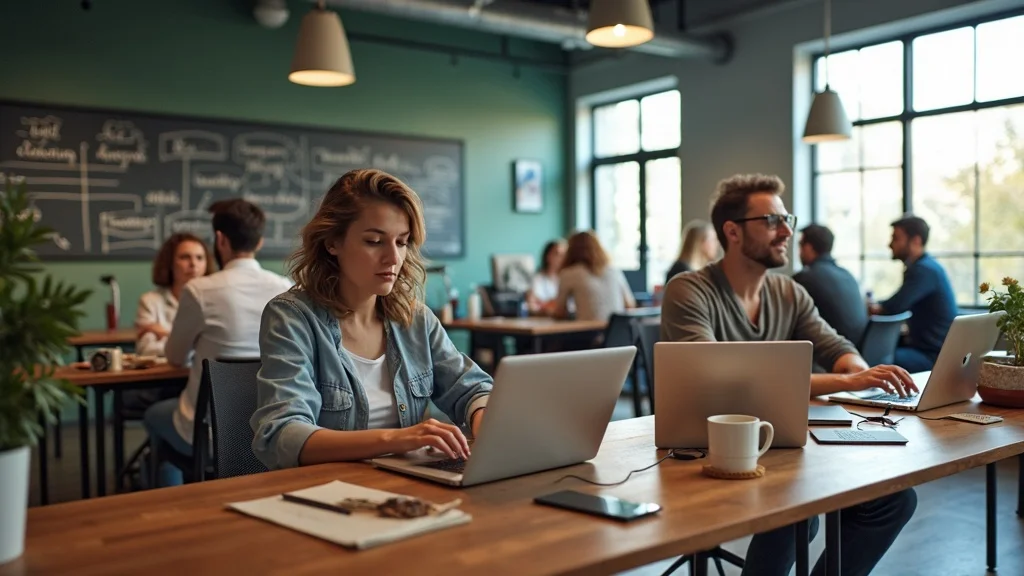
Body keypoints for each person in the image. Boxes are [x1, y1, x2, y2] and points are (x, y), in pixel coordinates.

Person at [661, 173, 918, 576]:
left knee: (894, 499)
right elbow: (719, 378)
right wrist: (849, 382)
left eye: (787, 220)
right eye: (771, 221)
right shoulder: (689, 289)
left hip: (783, 441)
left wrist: (858, 371)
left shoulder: (789, 293)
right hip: (710, 447)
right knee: (798, 508)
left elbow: (839, 350)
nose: (786, 231)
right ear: (732, 231)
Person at [250, 169, 492, 470]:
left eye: (402, 242)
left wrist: (487, 427)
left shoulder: (415, 319)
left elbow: (472, 389)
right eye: (375, 241)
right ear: (332, 242)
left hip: (406, 488)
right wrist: (398, 439)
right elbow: (282, 436)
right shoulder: (292, 317)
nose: (393, 258)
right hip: (326, 493)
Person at [143, 199, 292, 486]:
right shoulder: (285, 288)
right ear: (259, 242)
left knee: (154, 415)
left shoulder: (199, 290)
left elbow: (175, 357)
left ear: (220, 240)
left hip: (210, 434)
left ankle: (169, 506)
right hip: (273, 431)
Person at [121, 233, 214, 416]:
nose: (193, 264)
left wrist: (161, 332)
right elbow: (147, 349)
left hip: (200, 383)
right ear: (170, 263)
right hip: (162, 385)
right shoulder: (150, 301)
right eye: (184, 257)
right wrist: (191, 344)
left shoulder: (212, 300)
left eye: (199, 258)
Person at [870, 215, 958, 373]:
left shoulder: (923, 270)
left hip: (932, 356)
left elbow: (894, 306)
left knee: (874, 358)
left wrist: (872, 307)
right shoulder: (928, 266)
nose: (890, 244)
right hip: (930, 350)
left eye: (896, 238)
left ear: (916, 241)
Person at [792, 224, 868, 348]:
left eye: (800, 245)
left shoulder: (804, 279)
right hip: (856, 352)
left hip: (832, 355)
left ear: (808, 247)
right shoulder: (848, 275)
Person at [552, 230, 636, 321]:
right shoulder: (614, 271)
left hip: (589, 332)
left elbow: (560, 312)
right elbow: (630, 304)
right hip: (618, 333)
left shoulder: (569, 273)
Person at [664, 219, 719, 286]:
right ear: (701, 243)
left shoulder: (700, 270)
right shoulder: (681, 271)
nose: (717, 244)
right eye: (713, 240)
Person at [526, 239, 566, 314]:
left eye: (564, 255)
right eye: (557, 254)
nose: (562, 258)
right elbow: (531, 304)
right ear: (548, 255)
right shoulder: (537, 279)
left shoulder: (566, 279)